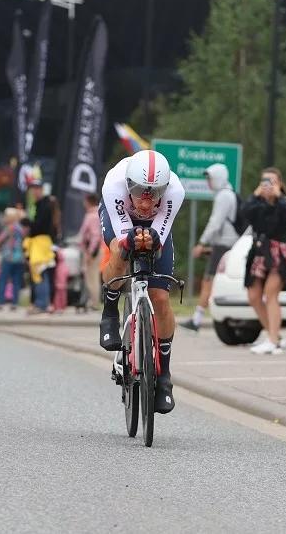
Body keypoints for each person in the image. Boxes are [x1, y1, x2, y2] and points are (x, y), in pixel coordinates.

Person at [97, 149, 185, 414]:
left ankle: (165, 377)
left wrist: (153, 241)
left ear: (164, 188)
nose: (146, 203)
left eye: (154, 194)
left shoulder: (175, 191)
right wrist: (129, 240)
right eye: (139, 193)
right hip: (121, 219)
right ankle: (109, 310)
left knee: (160, 297)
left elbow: (159, 235)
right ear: (128, 185)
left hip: (155, 228)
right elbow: (123, 237)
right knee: (120, 252)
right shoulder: (114, 184)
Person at [241, 168, 286, 355]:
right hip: (260, 251)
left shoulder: (284, 203)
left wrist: (279, 197)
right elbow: (244, 213)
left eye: (272, 181)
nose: (268, 185)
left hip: (281, 252)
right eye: (264, 181)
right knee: (253, 295)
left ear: (279, 183)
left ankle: (272, 340)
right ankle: (274, 335)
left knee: (271, 293)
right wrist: (255, 195)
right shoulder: (257, 204)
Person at [182, 163, 241, 332]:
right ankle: (200, 318)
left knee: (208, 280)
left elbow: (215, 223)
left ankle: (197, 320)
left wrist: (202, 243)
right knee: (213, 281)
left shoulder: (224, 196)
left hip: (223, 244)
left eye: (211, 179)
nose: (208, 182)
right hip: (224, 244)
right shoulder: (227, 194)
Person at [26, 182, 59, 314]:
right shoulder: (42, 205)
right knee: (40, 274)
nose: (34, 193)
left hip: (41, 242)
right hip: (42, 242)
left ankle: (42, 303)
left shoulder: (44, 206)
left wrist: (29, 224)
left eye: (36, 190)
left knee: (40, 274)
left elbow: (39, 225)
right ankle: (42, 302)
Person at [0, 208, 25, 310]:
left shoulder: (9, 228)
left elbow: (0, 239)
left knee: (3, 279)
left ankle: (0, 302)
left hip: (8, 257)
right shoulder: (21, 228)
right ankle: (14, 303)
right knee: (16, 281)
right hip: (20, 258)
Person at [77, 193, 104, 312]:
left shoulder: (92, 216)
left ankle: (94, 302)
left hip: (92, 251)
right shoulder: (98, 214)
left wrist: (90, 253)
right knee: (93, 277)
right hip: (95, 250)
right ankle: (93, 301)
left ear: (88, 201)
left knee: (91, 277)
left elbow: (95, 236)